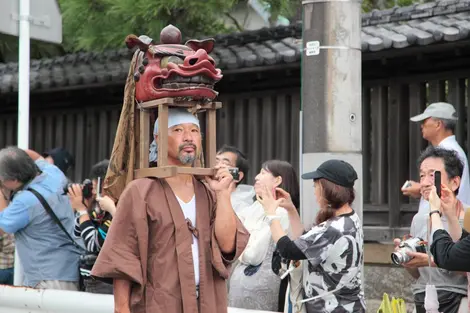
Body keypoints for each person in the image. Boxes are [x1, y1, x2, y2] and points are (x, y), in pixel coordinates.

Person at [91, 108, 249, 313]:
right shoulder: (141, 191)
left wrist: (223, 194)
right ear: (158, 138)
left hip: (207, 303)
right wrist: (122, 308)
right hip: (160, 304)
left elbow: (228, 247)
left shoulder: (207, 191)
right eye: (178, 130)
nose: (188, 137)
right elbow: (124, 256)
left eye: (194, 131)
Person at [258, 159, 365, 313]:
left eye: (316, 186)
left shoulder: (333, 229)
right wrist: (291, 209)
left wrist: (270, 214)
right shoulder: (349, 218)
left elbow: (288, 250)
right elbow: (306, 244)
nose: (314, 191)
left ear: (328, 189)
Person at [396, 146, 467, 313]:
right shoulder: (419, 219)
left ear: (454, 182)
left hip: (459, 298)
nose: (425, 182)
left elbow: (466, 266)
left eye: (433, 175)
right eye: (422, 175)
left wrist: (432, 260)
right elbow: (417, 275)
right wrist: (408, 260)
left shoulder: (468, 216)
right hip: (423, 298)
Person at [0, 147, 83, 290]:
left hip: (47, 278)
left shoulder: (24, 201)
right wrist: (10, 154)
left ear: (13, 180)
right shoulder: (53, 174)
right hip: (70, 270)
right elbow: (36, 156)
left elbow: (2, 226)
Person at [228, 160, 299, 312]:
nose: (256, 177)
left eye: (262, 173)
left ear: (278, 181)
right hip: (241, 293)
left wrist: (239, 245)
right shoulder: (254, 207)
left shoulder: (280, 213)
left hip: (261, 296)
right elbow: (230, 234)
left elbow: (252, 255)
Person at [403, 102, 470, 210]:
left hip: (444, 221)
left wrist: (420, 188)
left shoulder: (449, 151)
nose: (421, 126)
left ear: (438, 124)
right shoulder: (449, 149)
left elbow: (444, 189)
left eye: (424, 121)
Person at [68, 159, 115, 294]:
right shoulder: (100, 210)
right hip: (92, 280)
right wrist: (86, 208)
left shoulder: (115, 211)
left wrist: (82, 211)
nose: (93, 192)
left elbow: (93, 245)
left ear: (105, 184)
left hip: (104, 283)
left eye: (95, 187)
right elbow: (77, 234)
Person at [215, 145, 255, 214]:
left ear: (238, 176)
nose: (218, 166)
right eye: (216, 162)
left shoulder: (243, 207)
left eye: (225, 163)